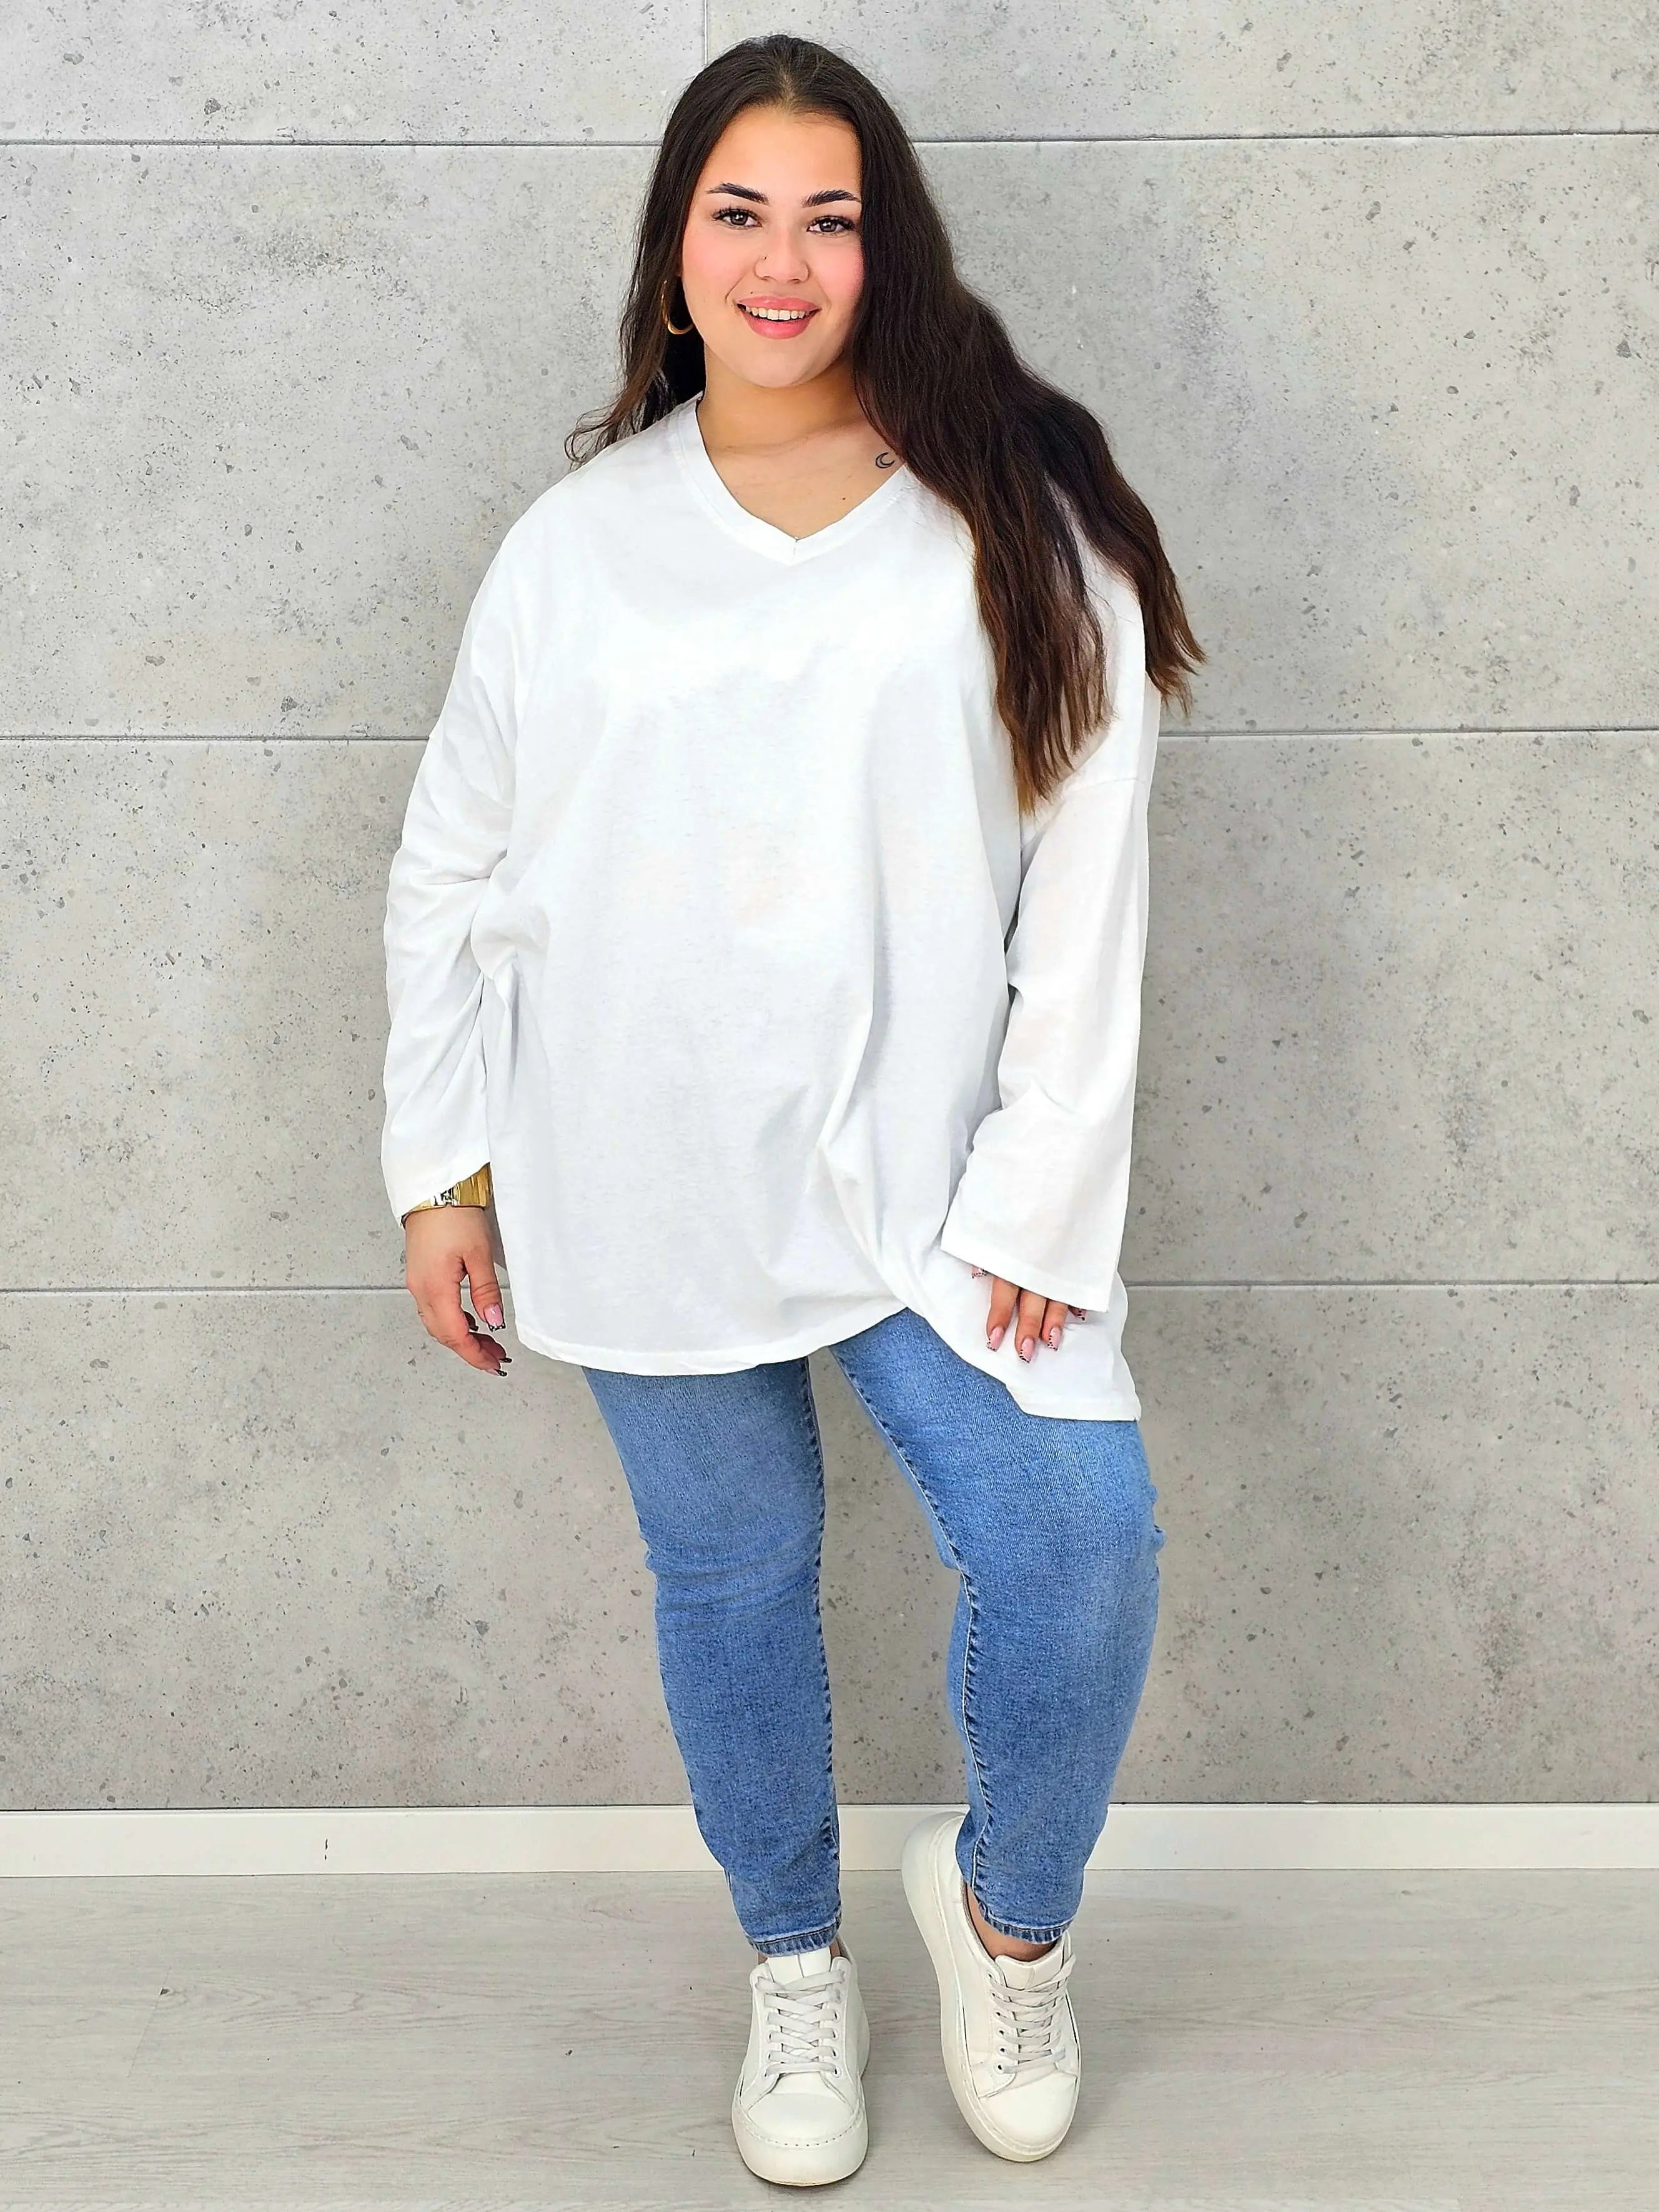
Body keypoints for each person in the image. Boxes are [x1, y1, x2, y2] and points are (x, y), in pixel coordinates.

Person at [380, 33, 1202, 2188]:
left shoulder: (1015, 519)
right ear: (675, 252)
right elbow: (453, 870)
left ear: (886, 249)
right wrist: (442, 1169)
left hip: (933, 1178)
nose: (783, 259)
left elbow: (1089, 888)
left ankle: (1004, 1924)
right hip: (632, 1152)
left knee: (1078, 1546)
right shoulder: (574, 549)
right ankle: (793, 1971)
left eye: (830, 217)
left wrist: (1039, 1197)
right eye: (738, 212)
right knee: (733, 1581)